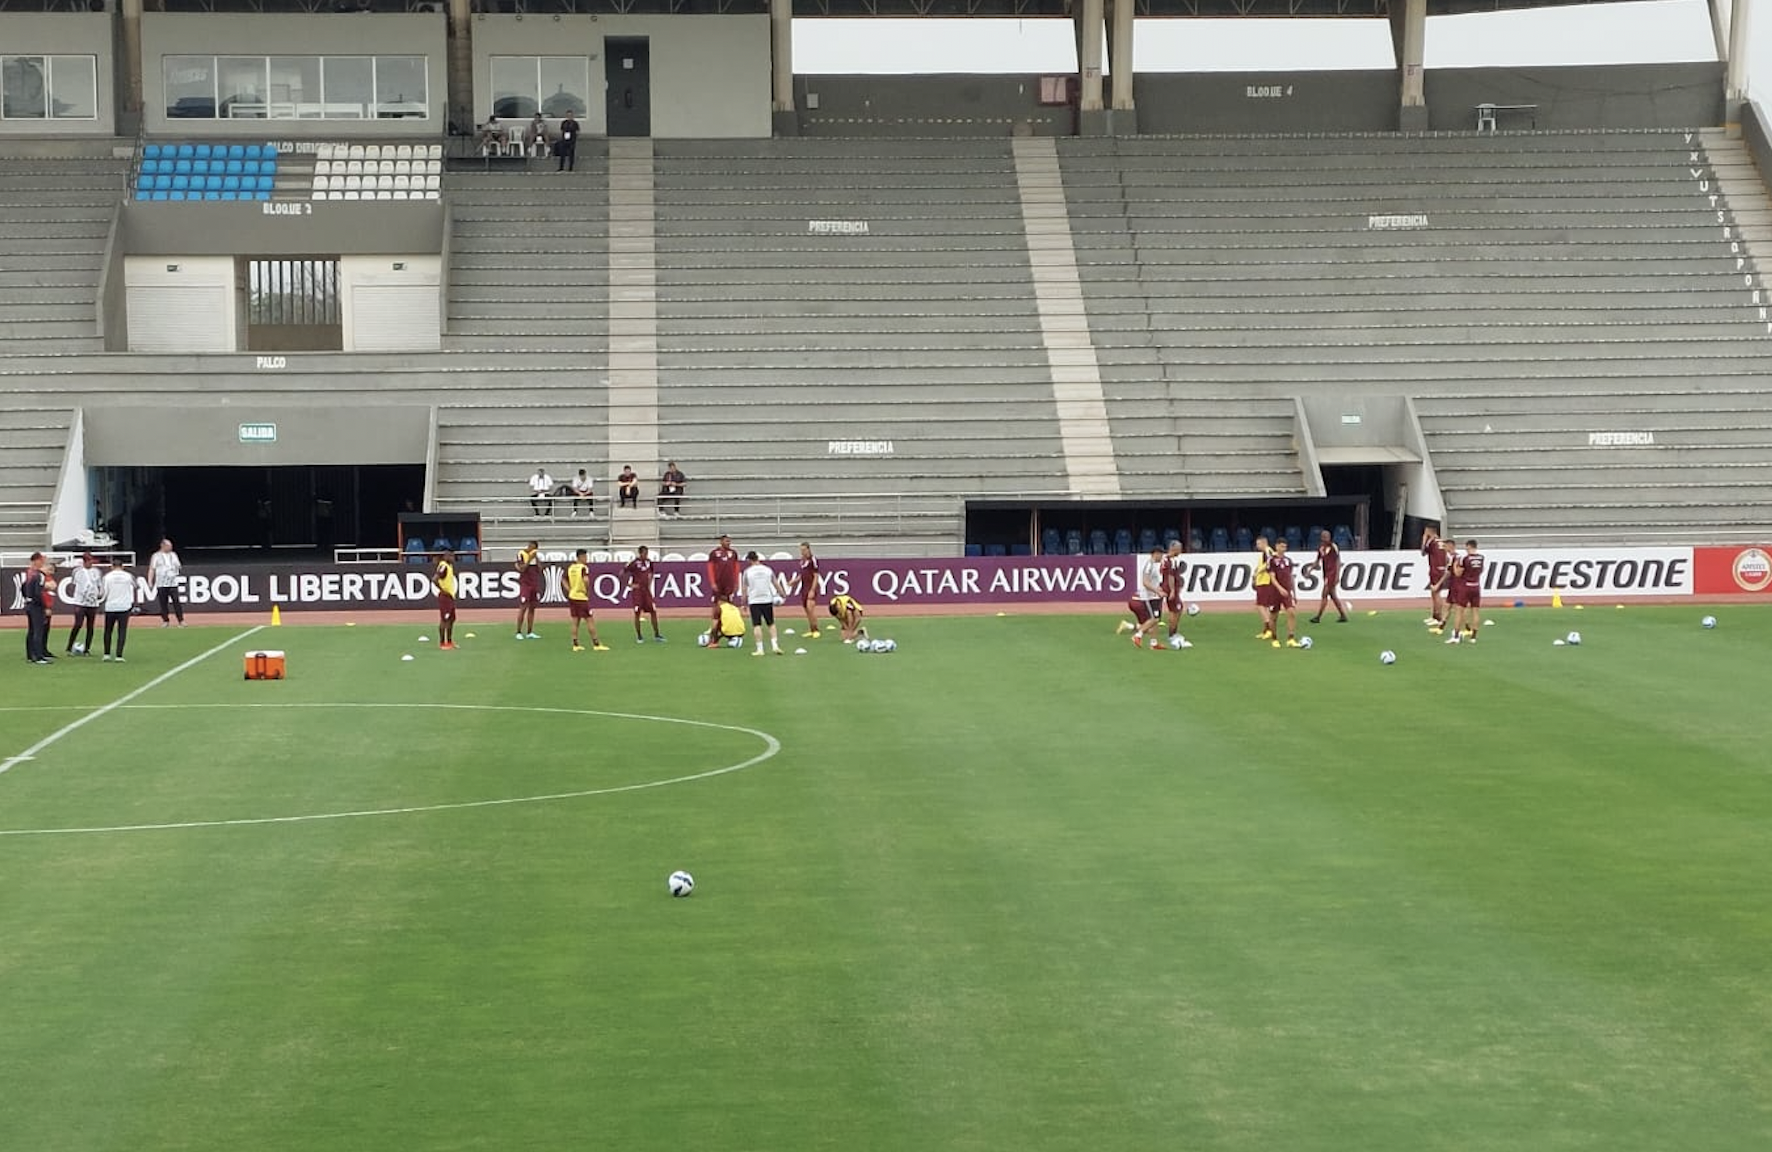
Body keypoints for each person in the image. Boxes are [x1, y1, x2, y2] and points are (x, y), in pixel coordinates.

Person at [1115, 547, 1166, 648]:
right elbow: (1145, 582)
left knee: (1155, 620)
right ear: (1155, 554)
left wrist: (1159, 589)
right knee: (1154, 619)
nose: (1162, 557)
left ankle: (1154, 643)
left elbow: (1152, 581)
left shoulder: (1152, 565)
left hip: (1154, 596)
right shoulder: (1149, 565)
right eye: (1161, 554)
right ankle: (1138, 635)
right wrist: (1157, 591)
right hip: (1149, 597)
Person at [740, 551, 785, 656]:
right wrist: (782, 594)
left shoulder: (747, 572)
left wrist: (743, 603)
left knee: (757, 625)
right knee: (771, 623)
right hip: (767, 599)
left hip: (754, 600)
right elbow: (775, 583)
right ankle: (775, 645)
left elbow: (744, 589)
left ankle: (760, 649)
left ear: (749, 560)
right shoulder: (767, 570)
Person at [565, 548, 609, 652]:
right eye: (585, 557)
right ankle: (596, 644)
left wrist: (569, 589)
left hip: (572, 596)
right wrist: (587, 591)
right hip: (581, 597)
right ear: (581, 557)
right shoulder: (583, 568)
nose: (586, 559)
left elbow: (563, 579)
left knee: (575, 621)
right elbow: (586, 580)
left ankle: (575, 644)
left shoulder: (571, 568)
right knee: (590, 620)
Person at [65, 551, 103, 655]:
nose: (91, 563)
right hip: (80, 601)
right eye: (90, 561)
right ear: (84, 561)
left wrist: (99, 593)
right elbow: (73, 584)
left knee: (90, 626)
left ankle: (87, 649)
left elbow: (99, 584)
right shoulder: (77, 571)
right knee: (78, 624)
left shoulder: (97, 571)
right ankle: (69, 646)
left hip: (92, 602)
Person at [624, 544, 664, 642]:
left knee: (653, 611)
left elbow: (651, 573)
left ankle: (657, 635)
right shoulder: (634, 563)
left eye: (647, 553)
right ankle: (639, 636)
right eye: (645, 553)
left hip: (646, 591)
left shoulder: (649, 562)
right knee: (637, 613)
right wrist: (629, 585)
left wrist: (649, 584)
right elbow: (623, 572)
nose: (646, 555)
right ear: (640, 553)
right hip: (637, 592)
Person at [1448, 539, 1485, 644]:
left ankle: (1456, 636)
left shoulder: (1465, 558)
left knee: (1459, 611)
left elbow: (1458, 573)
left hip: (1466, 587)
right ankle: (1473, 637)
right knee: (1475, 611)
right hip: (1476, 586)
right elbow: (1482, 570)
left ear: (1469, 546)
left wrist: (1455, 565)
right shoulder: (1481, 558)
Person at [1308, 529, 1350, 624]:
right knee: (1333, 595)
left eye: (1326, 537)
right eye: (1323, 537)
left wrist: (1337, 575)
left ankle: (1318, 616)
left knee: (1324, 594)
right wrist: (1310, 570)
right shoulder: (1321, 548)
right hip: (1326, 574)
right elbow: (1317, 561)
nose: (1324, 538)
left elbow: (1338, 561)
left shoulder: (1333, 546)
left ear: (1329, 537)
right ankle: (1343, 615)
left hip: (1332, 574)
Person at [101, 556, 135, 662]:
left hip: (111, 606)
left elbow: (103, 592)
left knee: (108, 631)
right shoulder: (128, 576)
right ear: (122, 566)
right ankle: (119, 655)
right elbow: (135, 585)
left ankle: (106, 654)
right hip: (124, 606)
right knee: (122, 631)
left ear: (112, 566)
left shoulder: (107, 577)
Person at [1268, 538, 1300, 648]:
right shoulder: (1271, 560)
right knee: (1274, 616)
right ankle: (1274, 638)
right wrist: (1279, 588)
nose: (1283, 549)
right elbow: (1272, 577)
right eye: (1281, 546)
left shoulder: (1288, 560)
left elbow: (1291, 577)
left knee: (1291, 612)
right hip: (1275, 592)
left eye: (1285, 547)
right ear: (1276, 546)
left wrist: (1294, 593)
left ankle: (1290, 638)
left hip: (1287, 591)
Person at [706, 533, 740, 632]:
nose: (728, 543)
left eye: (729, 541)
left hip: (729, 583)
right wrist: (712, 582)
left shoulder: (733, 553)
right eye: (726, 541)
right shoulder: (714, 553)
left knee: (729, 604)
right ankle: (713, 626)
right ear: (721, 542)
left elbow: (736, 568)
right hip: (718, 582)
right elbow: (710, 568)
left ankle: (728, 625)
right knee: (716, 604)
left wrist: (736, 582)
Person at [148, 538, 185, 627]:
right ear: (163, 546)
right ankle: (165, 620)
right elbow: (152, 569)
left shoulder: (173, 555)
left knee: (176, 601)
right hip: (161, 583)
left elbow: (179, 566)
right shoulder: (156, 556)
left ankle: (181, 620)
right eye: (169, 546)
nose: (170, 548)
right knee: (163, 603)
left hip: (173, 583)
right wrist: (150, 581)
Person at [21, 553, 51, 665]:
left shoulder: (29, 573)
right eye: (42, 560)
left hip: (29, 604)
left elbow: (23, 588)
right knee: (38, 630)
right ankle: (39, 656)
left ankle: (30, 655)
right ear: (37, 560)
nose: (43, 563)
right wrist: (44, 606)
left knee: (31, 630)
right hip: (36, 605)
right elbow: (38, 593)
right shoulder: (39, 575)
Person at [1422, 526, 1449, 631]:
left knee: (1436, 592)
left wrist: (1424, 539)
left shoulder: (1432, 541)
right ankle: (1434, 615)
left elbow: (1423, 552)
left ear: (1429, 531)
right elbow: (1446, 556)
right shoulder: (1441, 541)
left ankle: (1438, 617)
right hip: (1440, 568)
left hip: (1435, 569)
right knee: (1434, 592)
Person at [1160, 539, 1187, 641]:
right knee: (1175, 610)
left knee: (1176, 610)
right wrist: (1172, 590)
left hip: (1167, 587)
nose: (1180, 551)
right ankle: (1172, 634)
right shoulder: (1171, 560)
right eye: (1179, 549)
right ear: (1174, 548)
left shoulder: (1165, 559)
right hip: (1170, 588)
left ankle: (1173, 633)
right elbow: (1170, 576)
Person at [514, 540, 542, 640]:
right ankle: (518, 631)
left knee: (532, 608)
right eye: (531, 547)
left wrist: (537, 560)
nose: (532, 549)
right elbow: (522, 569)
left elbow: (540, 569)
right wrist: (529, 560)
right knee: (523, 607)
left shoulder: (535, 557)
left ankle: (530, 631)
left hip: (534, 584)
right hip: (526, 584)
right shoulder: (522, 554)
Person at [794, 541, 822, 638]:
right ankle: (811, 629)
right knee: (806, 609)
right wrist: (794, 581)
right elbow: (802, 575)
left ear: (808, 549)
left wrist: (812, 590)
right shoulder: (802, 561)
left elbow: (816, 576)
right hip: (804, 587)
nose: (802, 552)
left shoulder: (813, 560)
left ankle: (816, 629)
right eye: (801, 550)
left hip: (810, 586)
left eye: (804, 550)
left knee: (811, 608)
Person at [1251, 536, 1277, 641]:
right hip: (1262, 581)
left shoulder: (1268, 551)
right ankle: (1266, 630)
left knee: (1260, 605)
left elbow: (1269, 564)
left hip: (1266, 581)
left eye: (1258, 544)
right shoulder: (1265, 552)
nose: (1257, 546)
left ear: (1264, 543)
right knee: (1264, 606)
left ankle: (1269, 627)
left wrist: (1258, 572)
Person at [433, 548, 458, 650]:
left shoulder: (449, 566)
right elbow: (434, 579)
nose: (453, 558)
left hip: (450, 596)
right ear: (446, 557)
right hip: (445, 597)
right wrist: (442, 590)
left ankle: (450, 641)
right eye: (451, 556)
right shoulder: (443, 566)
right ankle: (442, 642)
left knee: (452, 618)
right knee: (445, 619)